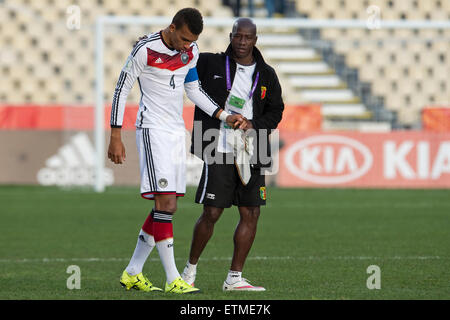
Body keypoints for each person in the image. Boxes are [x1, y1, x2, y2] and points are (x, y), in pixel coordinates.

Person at [107, 8, 243, 294]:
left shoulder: (190, 51)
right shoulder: (144, 50)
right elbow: (121, 90)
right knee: (167, 205)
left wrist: (222, 115)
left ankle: (132, 272)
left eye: (190, 41)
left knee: (163, 206)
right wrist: (115, 135)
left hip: (174, 132)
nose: (186, 46)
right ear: (171, 27)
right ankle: (172, 280)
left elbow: (192, 89)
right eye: (183, 39)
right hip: (151, 130)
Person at [181, 18, 284, 291]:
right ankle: (189, 271)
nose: (242, 42)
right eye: (238, 36)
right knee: (212, 212)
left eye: (248, 38)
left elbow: (276, 112)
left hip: (253, 147)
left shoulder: (267, 74)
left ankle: (234, 278)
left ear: (255, 40)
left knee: (251, 212)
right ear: (231, 36)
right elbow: (183, 64)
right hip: (217, 145)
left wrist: (254, 124)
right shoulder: (210, 63)